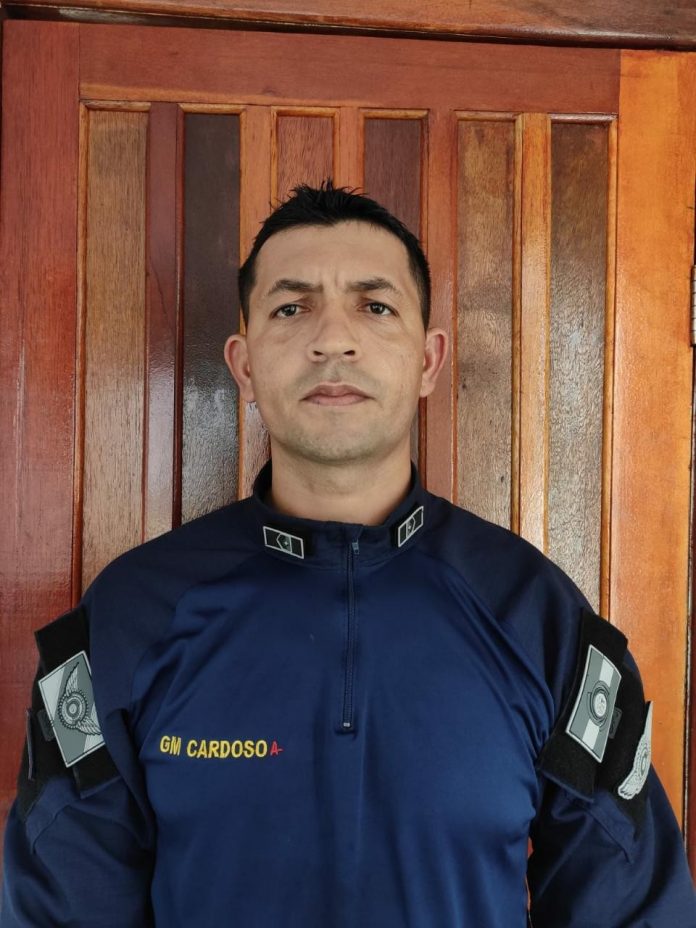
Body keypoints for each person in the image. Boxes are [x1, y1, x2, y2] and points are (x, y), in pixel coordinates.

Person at [2, 180, 695, 927]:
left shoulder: (537, 616)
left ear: (428, 360)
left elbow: (632, 906)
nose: (333, 339)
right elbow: (58, 909)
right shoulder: (130, 617)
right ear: (244, 364)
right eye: (291, 308)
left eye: (375, 306)